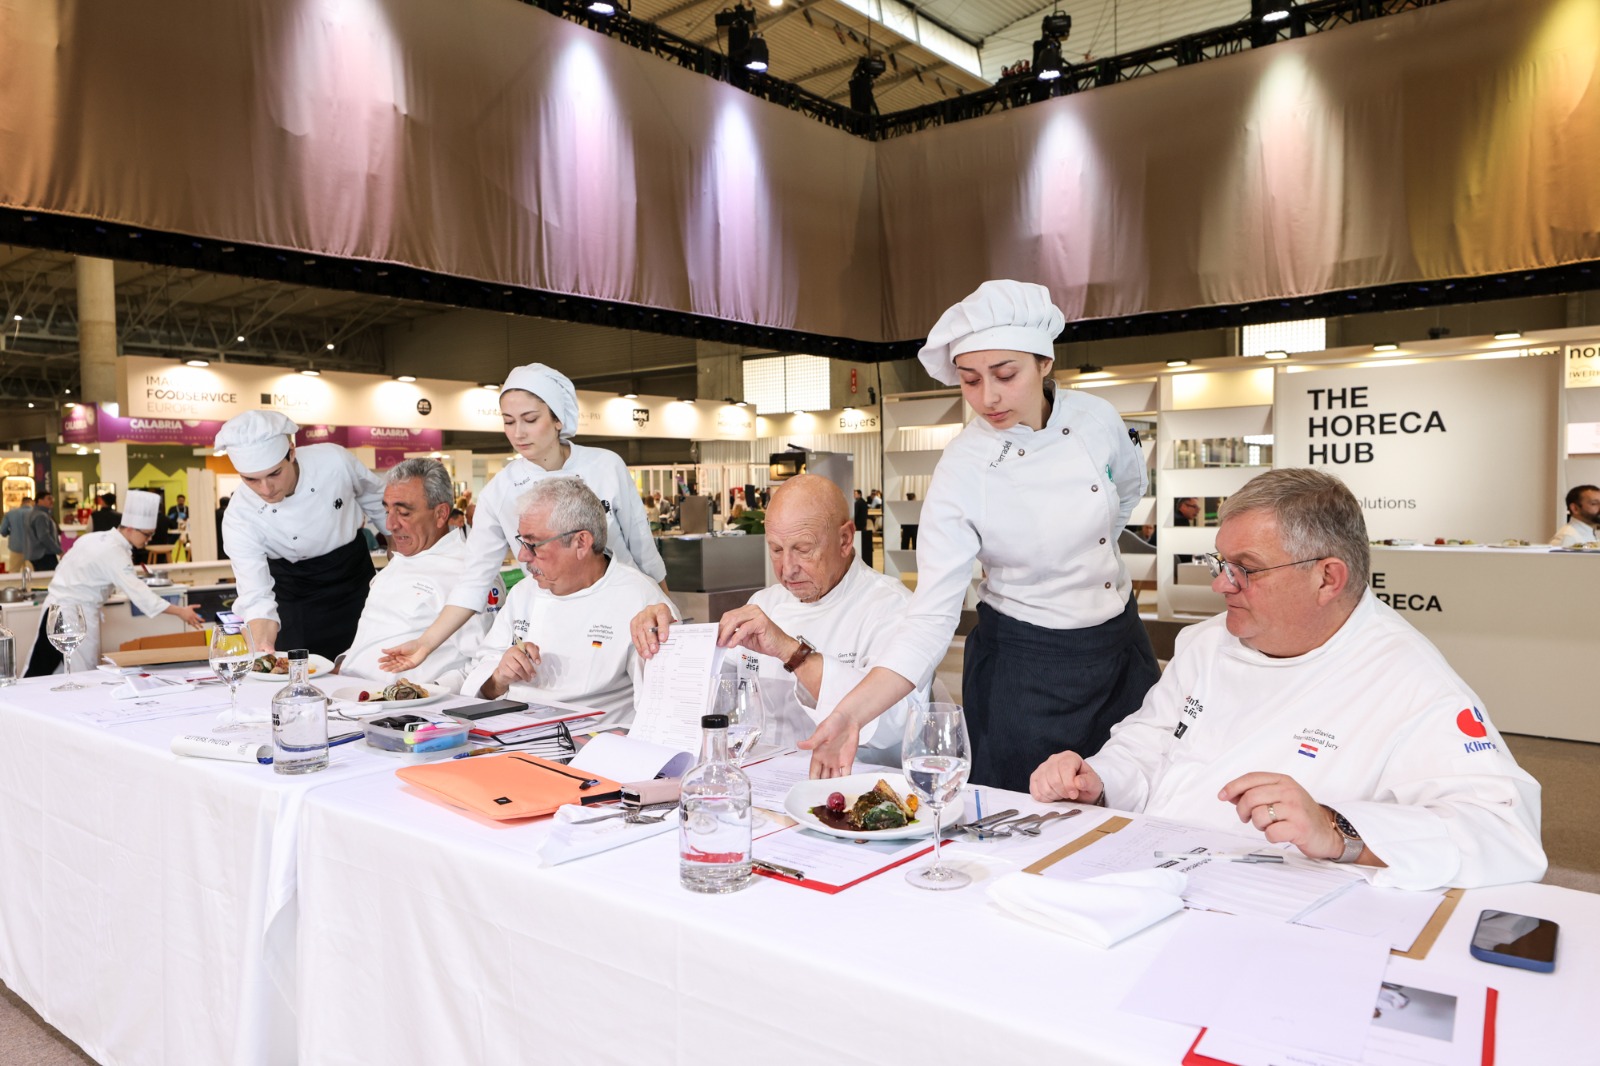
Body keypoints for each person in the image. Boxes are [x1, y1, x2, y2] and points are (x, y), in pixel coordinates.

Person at [1029, 468, 1546, 891]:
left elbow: (1505, 831)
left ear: (1327, 578)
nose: (1220, 584)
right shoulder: (1206, 644)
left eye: (1245, 569)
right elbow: (1148, 744)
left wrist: (1337, 829)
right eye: (1220, 562)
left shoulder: (1407, 677)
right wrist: (1098, 781)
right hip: (1146, 872)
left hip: (1272, 903)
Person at [802, 280, 1158, 789]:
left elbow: (1127, 489)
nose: (987, 397)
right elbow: (929, 617)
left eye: (1005, 374)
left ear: (1045, 362)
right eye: (969, 380)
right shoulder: (963, 468)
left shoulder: (1095, 418)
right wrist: (851, 712)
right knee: (1026, 816)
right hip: (1026, 669)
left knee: (1132, 798)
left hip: (1121, 647)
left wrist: (1084, 552)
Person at [379, 363, 667, 674]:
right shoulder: (500, 491)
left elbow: (643, 549)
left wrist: (667, 609)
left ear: (557, 419)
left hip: (626, 605)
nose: (518, 433)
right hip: (554, 613)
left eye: (530, 419)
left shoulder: (606, 466)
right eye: (508, 421)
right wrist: (425, 643)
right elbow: (474, 580)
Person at [631, 474, 925, 762]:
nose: (787, 568)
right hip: (764, 773)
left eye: (803, 549)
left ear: (845, 539)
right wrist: (665, 643)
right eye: (776, 550)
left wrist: (791, 652)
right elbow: (704, 691)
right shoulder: (765, 603)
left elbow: (892, 725)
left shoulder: (892, 607)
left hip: (854, 780)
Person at [461, 478, 674, 726]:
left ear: (581, 542)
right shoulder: (523, 593)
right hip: (510, 733)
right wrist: (499, 677)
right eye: (521, 541)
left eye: (532, 544)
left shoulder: (639, 599)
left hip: (592, 742)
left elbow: (665, 707)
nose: (522, 556)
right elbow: (481, 686)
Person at [215, 410, 387, 659]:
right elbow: (256, 594)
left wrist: (396, 543)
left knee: (372, 661)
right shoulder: (239, 516)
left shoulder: (334, 461)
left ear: (292, 452)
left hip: (354, 579)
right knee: (302, 671)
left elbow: (376, 498)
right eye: (251, 480)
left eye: (274, 473)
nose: (266, 489)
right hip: (294, 595)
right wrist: (261, 644)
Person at [337, 460, 499, 690]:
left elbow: (486, 661)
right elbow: (374, 636)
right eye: (387, 511)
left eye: (403, 513)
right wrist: (344, 663)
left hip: (403, 705)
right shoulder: (399, 561)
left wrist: (427, 692)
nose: (390, 524)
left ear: (441, 514)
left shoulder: (470, 573)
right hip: (349, 691)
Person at [24, 491, 205, 676]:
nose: (149, 539)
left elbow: (67, 568)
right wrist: (181, 611)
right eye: (147, 534)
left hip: (54, 608)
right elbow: (141, 595)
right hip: (74, 615)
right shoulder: (115, 552)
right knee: (80, 674)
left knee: (45, 668)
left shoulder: (94, 538)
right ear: (131, 529)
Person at [25, 492, 60, 570]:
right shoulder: (41, 516)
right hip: (44, 554)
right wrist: (58, 551)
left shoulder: (32, 514)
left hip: (35, 554)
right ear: (40, 501)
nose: (52, 501)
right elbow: (44, 536)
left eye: (52, 498)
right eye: (49, 499)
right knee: (50, 576)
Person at [2, 496, 33, 573]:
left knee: (13, 571)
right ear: (31, 502)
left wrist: (11, 533)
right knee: (30, 573)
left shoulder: (10, 513)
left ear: (22, 503)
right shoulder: (36, 513)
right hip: (32, 548)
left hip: (16, 547)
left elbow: (3, 531)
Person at [852, 489, 872, 568]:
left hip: (858, 524)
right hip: (863, 523)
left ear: (859, 494)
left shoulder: (858, 503)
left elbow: (855, 514)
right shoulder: (864, 502)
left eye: (855, 494)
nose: (854, 495)